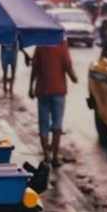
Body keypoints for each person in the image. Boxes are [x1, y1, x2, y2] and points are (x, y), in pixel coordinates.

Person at [29, 38, 78, 169]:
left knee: (43, 124)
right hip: (58, 90)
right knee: (57, 125)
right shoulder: (62, 45)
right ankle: (55, 157)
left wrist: (31, 86)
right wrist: (74, 77)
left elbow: (35, 67)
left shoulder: (40, 45)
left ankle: (46, 155)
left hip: (42, 90)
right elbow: (67, 65)